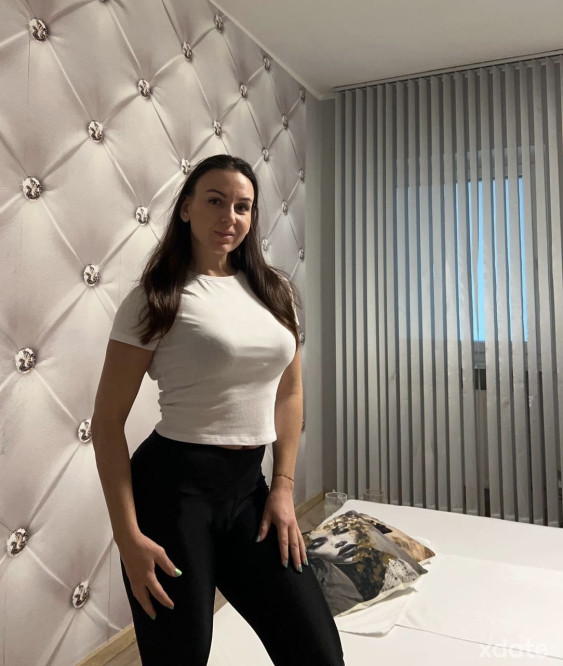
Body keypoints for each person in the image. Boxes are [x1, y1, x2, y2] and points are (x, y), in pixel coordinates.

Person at [91, 154, 346, 665]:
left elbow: (289, 391)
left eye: (243, 206)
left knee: (317, 652)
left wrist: (283, 488)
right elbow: (106, 424)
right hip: (172, 497)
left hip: (250, 492)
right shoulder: (156, 297)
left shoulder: (274, 292)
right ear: (186, 208)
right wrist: (128, 538)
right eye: (215, 201)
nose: (229, 216)